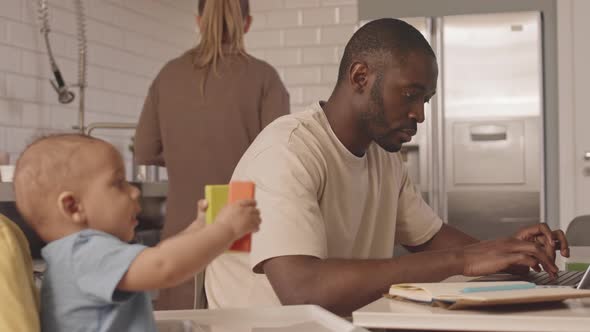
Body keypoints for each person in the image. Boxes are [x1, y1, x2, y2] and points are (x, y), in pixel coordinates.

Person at [205, 18, 570, 316]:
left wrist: (510, 255)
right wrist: (464, 259)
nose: (420, 115)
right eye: (411, 95)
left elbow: (429, 238)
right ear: (361, 77)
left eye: (425, 100)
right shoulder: (286, 151)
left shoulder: (384, 158)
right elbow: (303, 290)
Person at [13, 134, 261, 331]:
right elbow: (164, 266)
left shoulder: (77, 253)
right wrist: (226, 229)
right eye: (118, 183)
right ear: (73, 207)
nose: (134, 192)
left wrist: (198, 230)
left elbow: (157, 257)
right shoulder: (85, 252)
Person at [134, 0, 289, 309]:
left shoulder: (168, 75)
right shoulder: (264, 77)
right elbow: (281, 157)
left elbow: (144, 150)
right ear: (247, 24)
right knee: (238, 320)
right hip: (244, 230)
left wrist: (183, 154)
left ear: (198, 22)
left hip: (183, 233)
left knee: (180, 320)